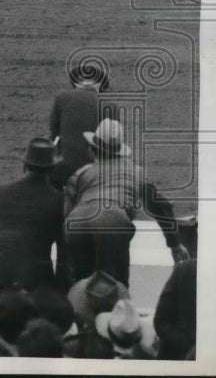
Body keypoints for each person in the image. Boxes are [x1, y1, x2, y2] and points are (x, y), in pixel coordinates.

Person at [63, 119, 188, 287]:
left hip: (77, 225)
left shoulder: (80, 174)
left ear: (92, 151)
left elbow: (66, 213)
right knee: (117, 289)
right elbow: (161, 208)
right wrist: (175, 245)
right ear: (120, 151)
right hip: (114, 223)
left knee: (81, 288)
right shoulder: (136, 173)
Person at [0, 137, 67, 305]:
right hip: (32, 281)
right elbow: (63, 252)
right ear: (51, 169)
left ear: (24, 165)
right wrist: (59, 290)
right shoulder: (59, 201)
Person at [48, 63, 109, 190]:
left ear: (76, 84)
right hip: (94, 173)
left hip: (64, 168)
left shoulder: (62, 97)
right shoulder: (109, 106)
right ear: (99, 86)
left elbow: (54, 135)